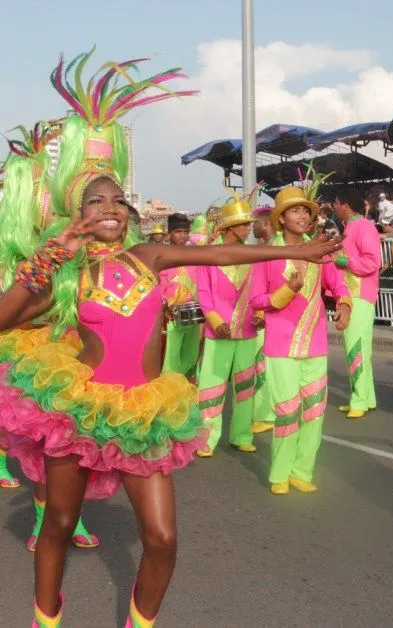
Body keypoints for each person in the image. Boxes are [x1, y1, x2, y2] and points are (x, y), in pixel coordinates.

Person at [0, 51, 343, 626]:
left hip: (145, 412)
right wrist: (54, 251)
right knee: (57, 525)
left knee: (161, 538)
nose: (110, 207)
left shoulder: (149, 255)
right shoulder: (64, 274)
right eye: (95, 201)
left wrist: (293, 249)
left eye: (117, 199)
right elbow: (6, 315)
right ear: (75, 211)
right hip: (79, 408)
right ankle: (46, 616)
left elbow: (221, 251)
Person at [0, 119, 101, 551]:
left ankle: (66, 515)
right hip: (31, 352)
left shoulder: (76, 238)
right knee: (45, 444)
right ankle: (48, 518)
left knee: (75, 441)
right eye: (35, 190)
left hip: (73, 348)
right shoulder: (17, 253)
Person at [249, 187, 351, 495]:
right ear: (281, 218)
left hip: (315, 343)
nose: (302, 215)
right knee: (288, 411)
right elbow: (256, 299)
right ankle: (280, 473)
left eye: (306, 210)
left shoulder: (318, 249)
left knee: (315, 412)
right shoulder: (268, 253)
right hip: (281, 345)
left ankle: (301, 471)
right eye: (295, 211)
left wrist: (344, 305)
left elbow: (337, 283)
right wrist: (287, 290)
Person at [193, 193, 263, 458]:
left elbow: (261, 288)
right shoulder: (208, 255)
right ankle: (206, 440)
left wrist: (261, 315)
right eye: (245, 225)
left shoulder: (254, 255)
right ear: (230, 228)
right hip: (218, 331)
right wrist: (215, 320)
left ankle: (242, 435)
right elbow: (204, 293)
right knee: (212, 385)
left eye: (249, 224)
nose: (249, 229)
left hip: (247, 330)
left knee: (246, 385)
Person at [331, 187, 382, 419]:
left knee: (355, 347)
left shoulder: (364, 226)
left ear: (345, 205)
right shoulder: (352, 227)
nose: (333, 206)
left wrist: (344, 261)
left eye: (336, 202)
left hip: (360, 294)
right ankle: (366, 397)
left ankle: (359, 400)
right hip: (352, 294)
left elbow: (372, 262)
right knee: (361, 347)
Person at [159, 213, 202, 381]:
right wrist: (164, 305)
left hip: (194, 311)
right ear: (169, 233)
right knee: (171, 353)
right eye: (178, 231)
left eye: (185, 231)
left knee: (191, 353)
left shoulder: (194, 255)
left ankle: (188, 387)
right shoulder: (162, 255)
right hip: (171, 314)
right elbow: (158, 283)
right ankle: (170, 388)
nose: (183, 235)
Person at [250, 204, 277, 434]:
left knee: (263, 365)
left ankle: (266, 415)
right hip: (262, 314)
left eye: (255, 222)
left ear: (266, 223)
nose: (252, 227)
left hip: (270, 317)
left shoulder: (275, 249)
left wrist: (260, 312)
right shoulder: (263, 247)